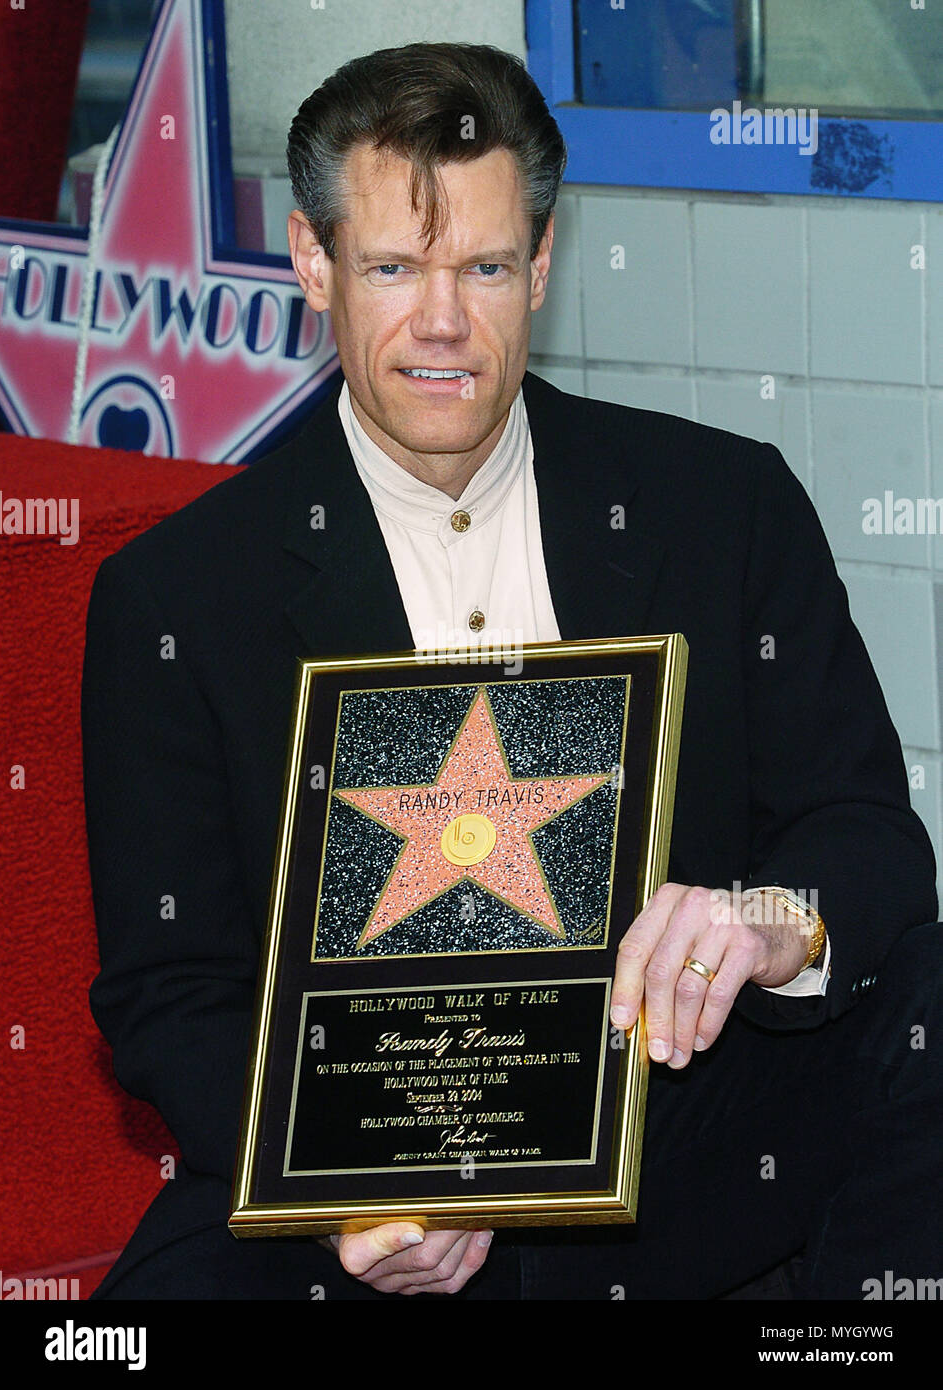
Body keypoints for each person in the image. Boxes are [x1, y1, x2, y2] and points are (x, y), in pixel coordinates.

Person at [83, 43, 941, 1300]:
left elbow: (873, 844)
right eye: (391, 268)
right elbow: (171, 988)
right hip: (358, 1178)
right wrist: (345, 1189)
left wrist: (764, 925)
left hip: (686, 1135)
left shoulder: (725, 505)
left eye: (485, 266)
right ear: (313, 262)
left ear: (541, 262)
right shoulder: (173, 598)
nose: (443, 322)